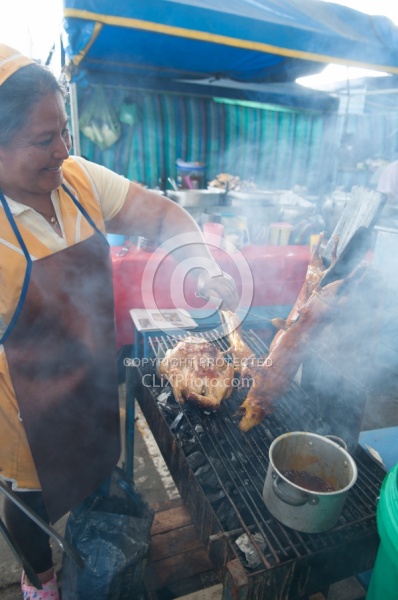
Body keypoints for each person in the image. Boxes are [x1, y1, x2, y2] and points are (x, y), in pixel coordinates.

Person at [0, 43, 238, 599]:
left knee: (98, 480)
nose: (63, 150)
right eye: (44, 139)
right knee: (29, 505)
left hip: (95, 388)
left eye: (64, 132)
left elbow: (162, 214)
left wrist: (199, 266)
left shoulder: (78, 179)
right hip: (23, 414)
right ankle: (41, 583)